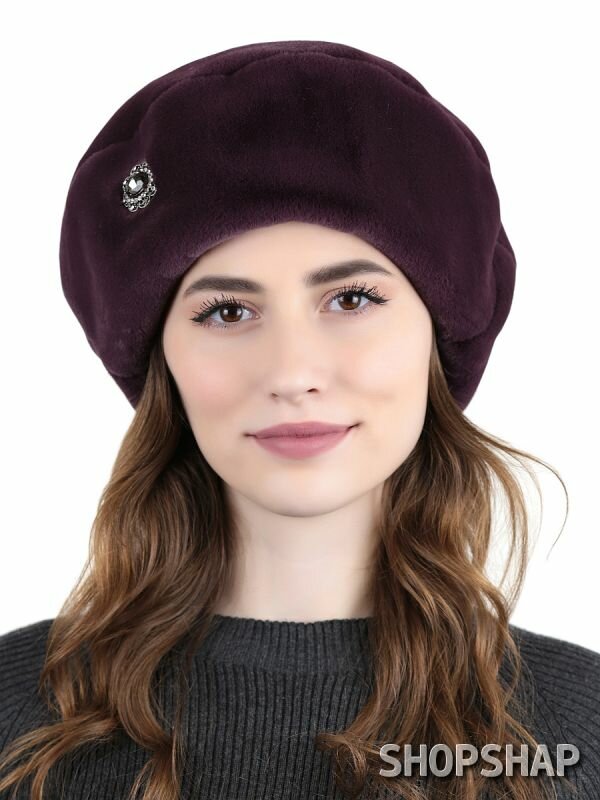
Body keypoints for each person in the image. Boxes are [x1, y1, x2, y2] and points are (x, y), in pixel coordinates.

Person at [0, 39, 599, 800]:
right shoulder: (16, 722)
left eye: (351, 299)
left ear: (438, 333)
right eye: (227, 311)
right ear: (161, 360)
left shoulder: (574, 736)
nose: (291, 373)